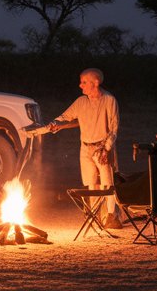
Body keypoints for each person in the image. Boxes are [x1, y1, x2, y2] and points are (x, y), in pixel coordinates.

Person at [46, 68, 122, 229]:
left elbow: (114, 128)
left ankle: (111, 216)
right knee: (90, 184)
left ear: (96, 82)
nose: (81, 85)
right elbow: (65, 116)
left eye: (84, 82)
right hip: (86, 148)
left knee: (107, 184)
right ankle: (94, 214)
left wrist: (107, 149)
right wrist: (55, 123)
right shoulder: (81, 101)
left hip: (102, 147)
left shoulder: (109, 100)